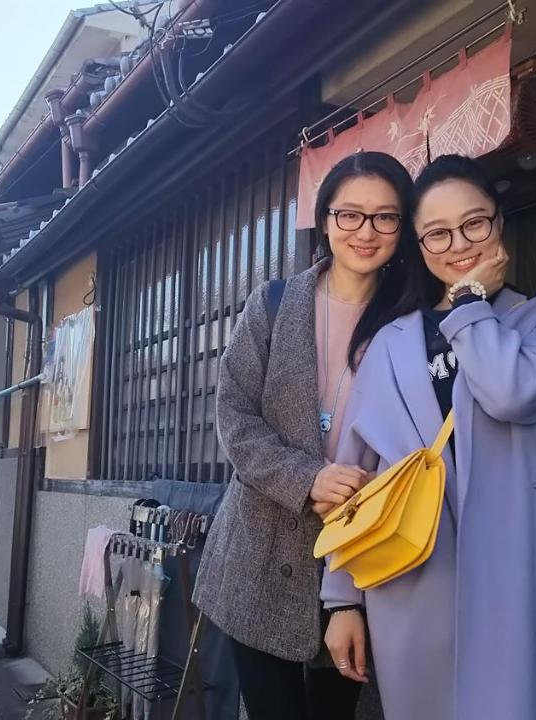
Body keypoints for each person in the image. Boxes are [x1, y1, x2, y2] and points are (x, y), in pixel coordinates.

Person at [320, 154, 536, 719]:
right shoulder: (389, 342)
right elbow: (354, 477)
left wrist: (469, 302)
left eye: (474, 223)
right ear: (419, 245)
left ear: (499, 222)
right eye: (437, 233)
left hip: (516, 565)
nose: (459, 243)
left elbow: (508, 391)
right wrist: (342, 600)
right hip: (411, 575)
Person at [193, 151, 422, 719]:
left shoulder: (412, 320)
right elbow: (235, 417)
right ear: (324, 220)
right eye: (350, 214)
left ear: (403, 226)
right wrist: (308, 476)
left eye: (385, 217)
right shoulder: (272, 304)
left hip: (362, 555)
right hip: (260, 553)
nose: (365, 232)